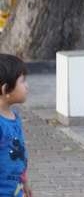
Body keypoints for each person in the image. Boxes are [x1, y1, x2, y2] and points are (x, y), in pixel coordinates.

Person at [0, 55, 31, 197]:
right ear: (5, 89)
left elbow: (20, 156)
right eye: (22, 81)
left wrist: (25, 183)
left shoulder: (14, 117)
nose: (27, 86)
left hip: (15, 190)